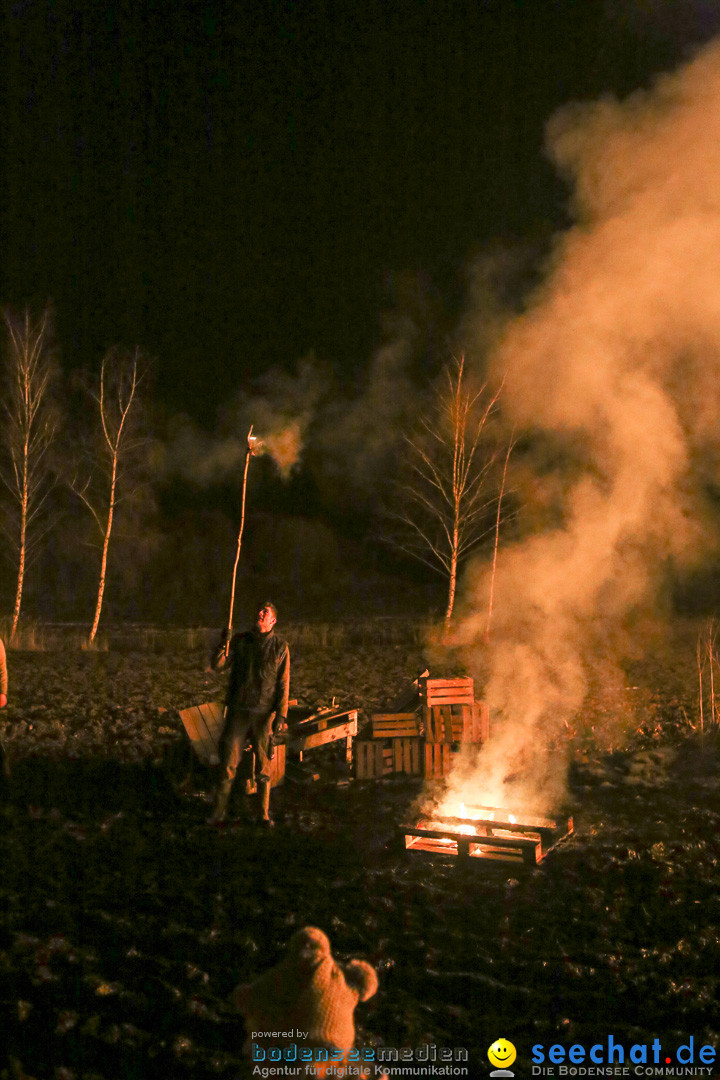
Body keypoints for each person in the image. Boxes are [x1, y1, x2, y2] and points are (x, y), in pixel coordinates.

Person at [207, 601, 289, 827]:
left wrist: (281, 716)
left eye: (266, 611)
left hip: (264, 714)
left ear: (273, 621)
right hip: (239, 711)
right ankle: (219, 813)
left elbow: (283, 683)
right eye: (259, 609)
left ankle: (262, 814)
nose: (260, 612)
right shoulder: (241, 641)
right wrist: (223, 643)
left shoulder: (280, 646)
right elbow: (219, 666)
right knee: (228, 763)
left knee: (263, 767)